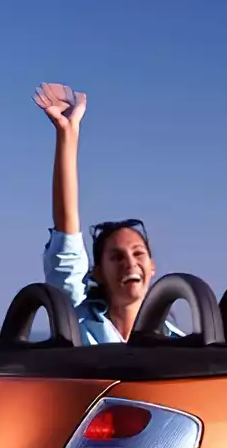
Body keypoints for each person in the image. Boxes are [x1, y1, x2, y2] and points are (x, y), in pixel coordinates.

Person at [34, 82, 164, 343]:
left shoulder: (180, 345)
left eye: (138, 254)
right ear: (98, 272)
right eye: (116, 257)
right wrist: (67, 132)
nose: (130, 263)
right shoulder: (76, 324)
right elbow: (67, 237)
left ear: (152, 267)